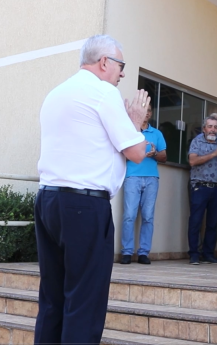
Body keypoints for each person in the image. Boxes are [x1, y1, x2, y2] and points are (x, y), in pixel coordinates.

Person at [35, 34, 149, 344]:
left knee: (52, 299)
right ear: (104, 63)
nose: (122, 73)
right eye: (120, 65)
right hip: (84, 206)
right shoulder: (102, 92)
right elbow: (136, 152)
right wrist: (136, 121)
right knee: (85, 302)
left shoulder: (57, 93)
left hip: (48, 200)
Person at [120, 103, 167, 265]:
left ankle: (143, 253)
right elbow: (121, 154)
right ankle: (126, 252)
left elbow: (164, 157)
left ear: (151, 113)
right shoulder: (129, 131)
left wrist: (154, 154)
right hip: (132, 177)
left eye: (149, 110)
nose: (146, 113)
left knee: (148, 216)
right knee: (129, 216)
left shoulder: (157, 133)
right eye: (144, 110)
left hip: (152, 178)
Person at [187, 114, 217, 265]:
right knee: (195, 221)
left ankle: (208, 253)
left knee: (213, 223)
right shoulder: (197, 141)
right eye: (210, 126)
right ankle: (194, 254)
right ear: (204, 128)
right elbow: (193, 161)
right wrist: (214, 153)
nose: (213, 130)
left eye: (215, 127)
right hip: (199, 187)